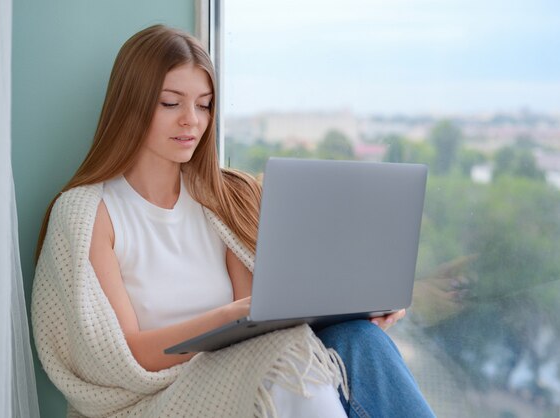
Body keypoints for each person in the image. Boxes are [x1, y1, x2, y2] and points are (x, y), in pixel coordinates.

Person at [32, 24, 435, 418]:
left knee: (358, 338)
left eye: (204, 104)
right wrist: (228, 317)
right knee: (285, 361)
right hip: (157, 398)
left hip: (237, 368)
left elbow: (259, 327)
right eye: (171, 103)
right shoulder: (88, 211)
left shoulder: (221, 199)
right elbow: (123, 354)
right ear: (131, 103)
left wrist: (355, 307)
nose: (191, 119)